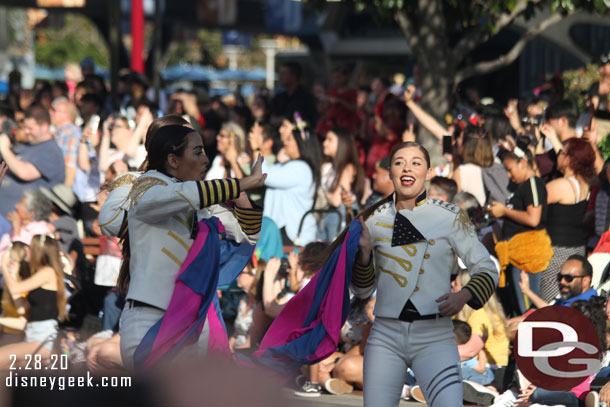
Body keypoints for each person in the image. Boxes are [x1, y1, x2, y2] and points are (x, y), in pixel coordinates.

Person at [350, 141, 498, 407]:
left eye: (416, 163)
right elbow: (361, 290)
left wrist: (464, 295)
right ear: (390, 172)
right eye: (399, 162)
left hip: (436, 336)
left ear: (428, 172)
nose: (407, 168)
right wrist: (363, 254)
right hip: (385, 334)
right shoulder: (372, 220)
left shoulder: (452, 217)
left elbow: (487, 268)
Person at [113, 124, 266, 369]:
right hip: (150, 317)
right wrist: (240, 183)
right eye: (197, 152)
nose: (205, 159)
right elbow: (180, 196)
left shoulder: (200, 198)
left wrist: (241, 196)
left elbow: (247, 236)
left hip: (194, 322)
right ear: (173, 160)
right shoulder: (145, 188)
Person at [488, 143, 549, 315]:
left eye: (510, 169)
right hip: (516, 256)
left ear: (522, 162)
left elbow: (533, 218)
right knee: (519, 307)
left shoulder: (533, 184)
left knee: (528, 310)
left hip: (527, 257)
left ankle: (534, 341)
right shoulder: (521, 188)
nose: (508, 175)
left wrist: (505, 211)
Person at [540, 137, 595, 302]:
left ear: (569, 159)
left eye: (562, 152)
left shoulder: (562, 185)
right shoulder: (586, 183)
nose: (559, 156)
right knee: (567, 300)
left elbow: (530, 203)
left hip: (556, 253)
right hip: (577, 250)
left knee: (549, 301)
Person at [0, 235, 67, 368]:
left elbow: (15, 288)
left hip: (43, 337)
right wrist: (13, 274)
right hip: (33, 333)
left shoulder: (48, 272)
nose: (27, 250)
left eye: (31, 248)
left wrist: (3, 266)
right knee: (7, 373)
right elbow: (23, 308)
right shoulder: (41, 273)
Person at [262, 116, 321, 246]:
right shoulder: (292, 166)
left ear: (300, 144)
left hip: (293, 236)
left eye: (289, 139)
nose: (285, 143)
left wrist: (258, 150)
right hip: (284, 234)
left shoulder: (301, 168)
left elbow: (264, 176)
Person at [0, 104, 65, 217]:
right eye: (25, 127)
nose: (26, 131)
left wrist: (5, 149)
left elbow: (24, 173)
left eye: (30, 128)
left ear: (44, 126)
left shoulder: (52, 151)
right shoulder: (24, 146)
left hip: (22, 219)